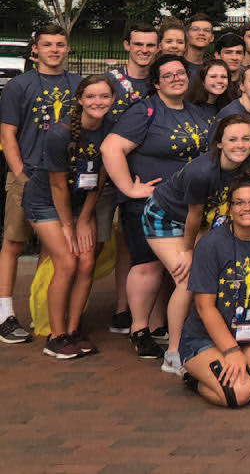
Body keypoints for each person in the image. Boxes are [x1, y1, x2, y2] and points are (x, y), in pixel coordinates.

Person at [101, 53, 212, 359]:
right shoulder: (144, 111)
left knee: (178, 270)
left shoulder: (196, 111)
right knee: (148, 266)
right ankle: (140, 330)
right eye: (168, 75)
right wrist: (128, 188)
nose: (177, 79)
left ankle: (163, 326)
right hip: (151, 204)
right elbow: (110, 148)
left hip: (188, 204)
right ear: (156, 82)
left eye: (180, 73)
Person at [144, 113, 250, 375]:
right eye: (232, 139)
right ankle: (173, 353)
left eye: (246, 139)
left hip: (205, 219)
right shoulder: (201, 171)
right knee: (188, 279)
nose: (240, 145)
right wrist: (187, 251)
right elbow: (193, 216)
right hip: (167, 216)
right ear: (219, 143)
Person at [178, 176, 250, 407]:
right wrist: (230, 351)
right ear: (229, 208)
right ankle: (193, 378)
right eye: (239, 203)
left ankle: (236, 369)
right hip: (206, 340)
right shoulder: (210, 245)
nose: (247, 208)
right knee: (241, 393)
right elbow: (204, 306)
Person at [0, 24, 82, 344]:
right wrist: (20, 174)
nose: (54, 50)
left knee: (54, 249)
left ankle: (43, 311)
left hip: (62, 178)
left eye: (60, 44)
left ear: (67, 48)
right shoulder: (18, 86)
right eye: (47, 44)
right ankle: (5, 312)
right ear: (35, 49)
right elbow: (8, 134)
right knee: (14, 242)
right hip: (28, 173)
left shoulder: (77, 84)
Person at [22, 76, 115, 358]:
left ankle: (74, 330)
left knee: (87, 262)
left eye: (104, 97)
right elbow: (57, 184)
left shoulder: (110, 130)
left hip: (80, 203)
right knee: (67, 261)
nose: (97, 102)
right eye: (91, 97)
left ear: (111, 100)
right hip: (45, 203)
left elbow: (99, 179)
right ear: (80, 100)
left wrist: (84, 218)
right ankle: (56, 335)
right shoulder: (59, 134)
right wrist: (67, 225)